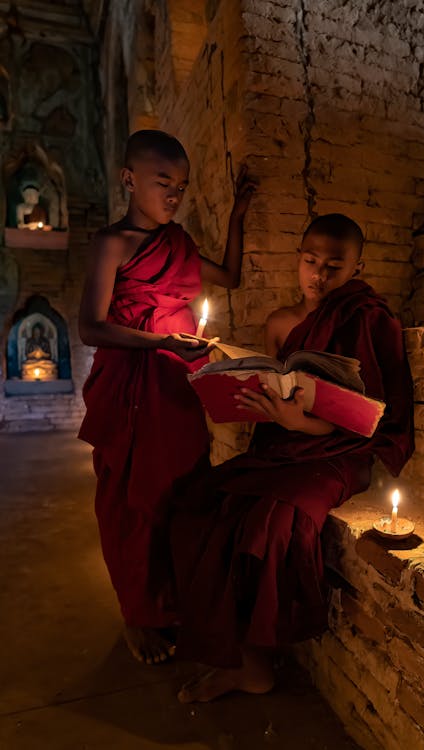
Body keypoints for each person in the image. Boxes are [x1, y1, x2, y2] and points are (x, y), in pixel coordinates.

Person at [170, 213, 414, 702]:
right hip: (283, 448)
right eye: (310, 261)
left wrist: (299, 423)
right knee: (199, 502)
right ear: (297, 259)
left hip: (339, 452)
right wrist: (246, 400)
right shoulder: (280, 323)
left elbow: (372, 416)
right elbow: (277, 387)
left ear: (357, 268)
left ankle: (256, 661)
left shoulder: (370, 318)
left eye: (334, 266)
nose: (318, 276)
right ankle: (237, 657)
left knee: (273, 522)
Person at [78, 129, 254, 664]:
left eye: (181, 185)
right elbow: (90, 326)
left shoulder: (179, 243)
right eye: (163, 183)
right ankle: (139, 614)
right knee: (134, 501)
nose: (174, 195)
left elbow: (230, 276)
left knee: (183, 491)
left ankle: (174, 601)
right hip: (133, 388)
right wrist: (160, 341)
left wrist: (238, 215)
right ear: (129, 180)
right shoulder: (112, 244)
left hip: (176, 389)